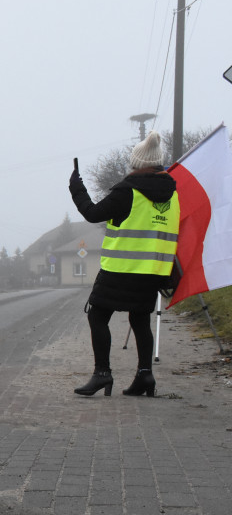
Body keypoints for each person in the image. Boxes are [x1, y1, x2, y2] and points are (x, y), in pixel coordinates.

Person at [69, 130, 179, 397]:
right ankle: (145, 376)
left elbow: (93, 213)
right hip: (152, 272)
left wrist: (77, 188)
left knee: (97, 315)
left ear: (137, 163)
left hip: (120, 270)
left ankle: (102, 374)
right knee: (140, 320)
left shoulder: (128, 192)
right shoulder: (173, 194)